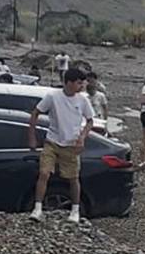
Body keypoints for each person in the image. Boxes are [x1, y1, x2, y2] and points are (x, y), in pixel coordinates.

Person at [28, 68, 95, 223]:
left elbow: (90, 120)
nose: (81, 86)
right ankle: (37, 208)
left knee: (73, 178)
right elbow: (35, 113)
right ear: (69, 82)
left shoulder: (83, 100)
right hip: (52, 141)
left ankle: (75, 210)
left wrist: (82, 137)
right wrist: (31, 137)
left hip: (71, 144)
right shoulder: (52, 96)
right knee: (44, 173)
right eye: (79, 83)